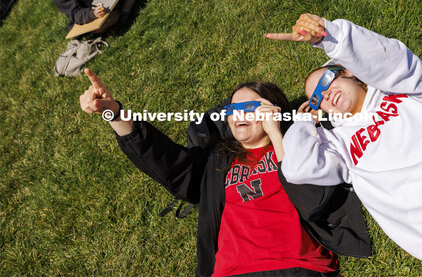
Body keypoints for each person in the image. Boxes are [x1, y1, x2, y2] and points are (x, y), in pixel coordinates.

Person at [79, 68, 371, 276]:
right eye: (232, 109)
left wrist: (277, 132)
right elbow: (168, 164)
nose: (238, 114)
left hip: (295, 265)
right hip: (230, 271)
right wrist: (114, 113)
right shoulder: (218, 162)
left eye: (250, 106)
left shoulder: (303, 145)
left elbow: (312, 196)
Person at [265, 14, 422, 277]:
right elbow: (298, 169)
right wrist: (303, 122)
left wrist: (330, 36)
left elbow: (390, 60)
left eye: (326, 82)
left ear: (348, 72)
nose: (325, 95)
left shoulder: (402, 90)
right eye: (317, 99)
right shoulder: (337, 146)